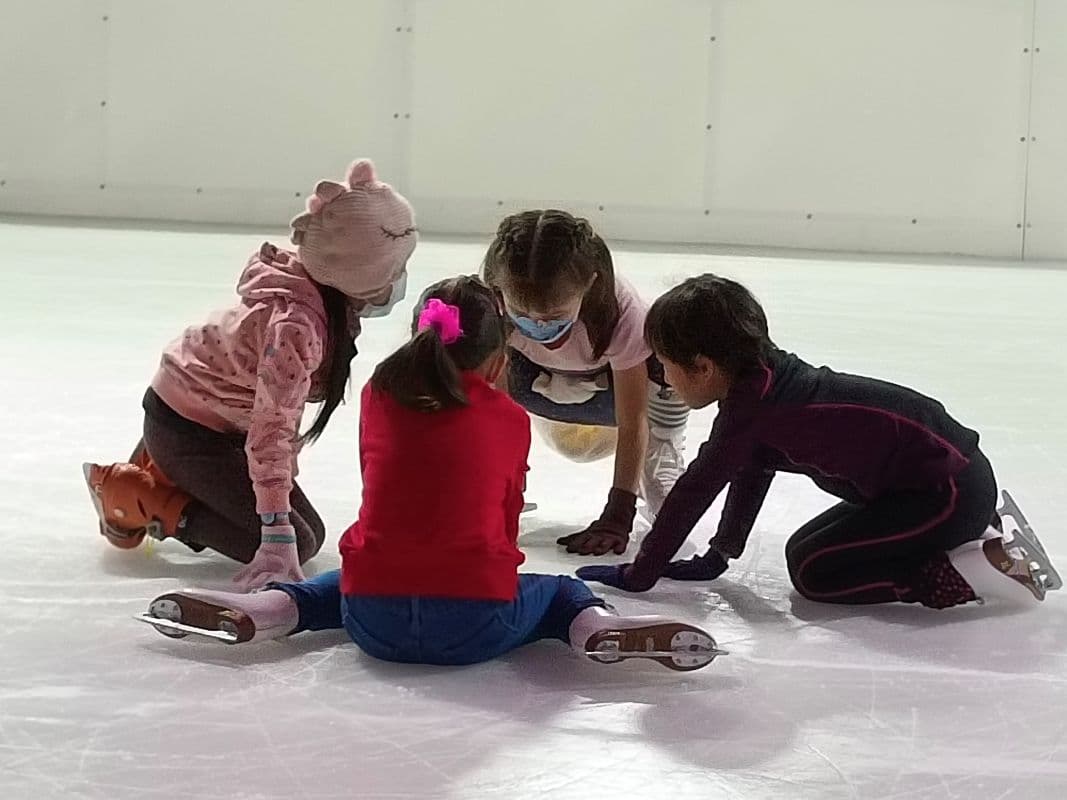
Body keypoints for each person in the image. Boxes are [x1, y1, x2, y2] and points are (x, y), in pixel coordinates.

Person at [136, 276, 723, 671]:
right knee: (561, 593)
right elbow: (504, 524)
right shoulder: (508, 417)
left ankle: (272, 611)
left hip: (372, 619)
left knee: (332, 586)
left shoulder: (379, 394)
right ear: (498, 359)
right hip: (474, 625)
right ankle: (592, 628)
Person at [577, 274, 1061, 609]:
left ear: (703, 367)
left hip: (949, 494)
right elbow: (753, 465)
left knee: (816, 573)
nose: (663, 378)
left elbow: (695, 489)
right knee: (804, 551)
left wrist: (640, 574)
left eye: (665, 365)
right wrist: (719, 553)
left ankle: (974, 572)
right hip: (935, 484)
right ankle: (978, 541)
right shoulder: (761, 382)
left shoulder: (758, 407)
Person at [84, 159, 416, 590]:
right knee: (295, 542)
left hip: (216, 418)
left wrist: (274, 495)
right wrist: (274, 525)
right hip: (187, 428)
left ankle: (169, 469)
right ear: (356, 274)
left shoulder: (316, 293)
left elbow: (278, 417)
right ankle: (145, 497)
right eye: (393, 271)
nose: (398, 281)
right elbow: (272, 428)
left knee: (309, 533)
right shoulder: (296, 328)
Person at [482, 210, 689, 557]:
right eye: (524, 315)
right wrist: (501, 491)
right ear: (498, 289)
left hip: (611, 399)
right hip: (538, 391)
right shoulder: (491, 306)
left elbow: (632, 419)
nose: (539, 326)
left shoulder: (622, 312)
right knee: (463, 349)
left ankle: (661, 447)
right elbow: (497, 414)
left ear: (589, 285)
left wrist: (619, 512)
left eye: (554, 317)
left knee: (676, 336)